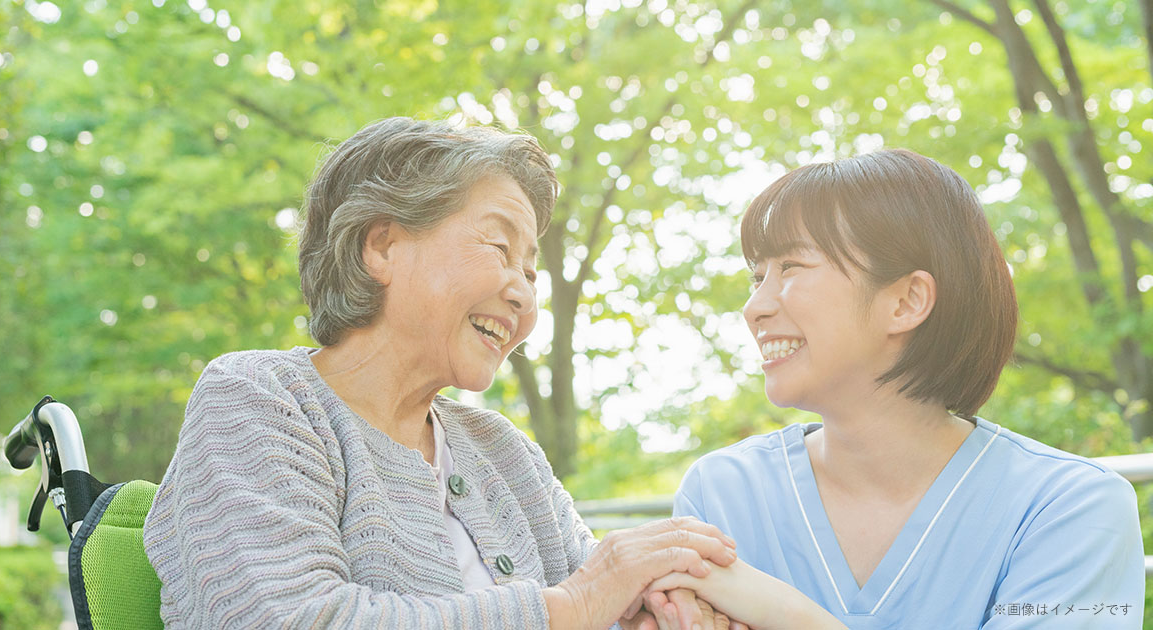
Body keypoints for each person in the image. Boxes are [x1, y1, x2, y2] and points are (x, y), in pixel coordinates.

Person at [142, 117, 740, 629]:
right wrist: (576, 606)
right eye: (501, 250)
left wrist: (649, 610)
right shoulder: (257, 399)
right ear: (381, 247)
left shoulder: (504, 452)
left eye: (530, 273)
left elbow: (605, 594)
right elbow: (285, 618)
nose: (522, 296)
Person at [643, 149, 1144, 629]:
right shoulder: (724, 493)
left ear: (906, 300)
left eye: (790, 267)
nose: (754, 308)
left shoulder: (1071, 510)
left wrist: (788, 615)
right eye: (757, 277)